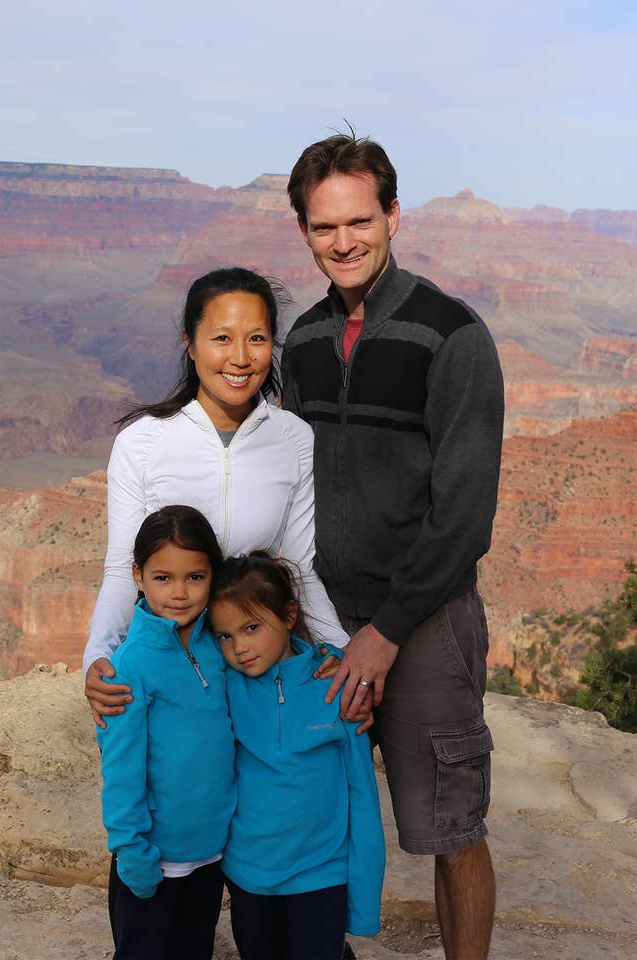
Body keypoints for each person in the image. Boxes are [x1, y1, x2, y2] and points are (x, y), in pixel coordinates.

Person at [280, 130, 505, 960]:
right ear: (304, 231)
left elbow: (464, 519)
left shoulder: (453, 338)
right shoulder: (300, 341)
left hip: (425, 626)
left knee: (450, 828)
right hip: (321, 631)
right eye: (323, 226)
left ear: (394, 216)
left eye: (359, 221)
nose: (343, 241)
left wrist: (386, 632)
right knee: (316, 824)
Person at [83, 266, 351, 726]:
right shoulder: (142, 443)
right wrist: (98, 653)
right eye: (222, 339)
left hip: (258, 665)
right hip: (171, 670)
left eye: (258, 339)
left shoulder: (293, 440)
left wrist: (338, 650)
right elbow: (122, 568)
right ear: (189, 342)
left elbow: (299, 567)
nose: (241, 358)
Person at [210, 552, 385, 960]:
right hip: (249, 877)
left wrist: (363, 901)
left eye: (252, 627)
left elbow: (362, 793)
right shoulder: (226, 687)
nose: (240, 647)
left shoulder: (336, 686)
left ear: (288, 615)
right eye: (225, 636)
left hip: (321, 875)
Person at [97, 504, 235, 960]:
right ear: (138, 575)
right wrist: (132, 852)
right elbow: (121, 770)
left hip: (208, 858)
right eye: (163, 578)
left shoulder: (219, 647)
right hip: (151, 863)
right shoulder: (130, 666)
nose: (179, 592)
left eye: (195, 577)